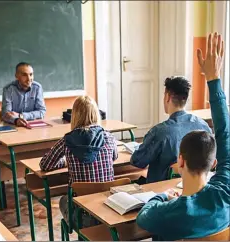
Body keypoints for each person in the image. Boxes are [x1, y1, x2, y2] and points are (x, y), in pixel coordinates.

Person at [136, 32, 230, 240]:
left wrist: (163, 196)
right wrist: (214, 80)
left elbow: (143, 218)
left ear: (180, 160)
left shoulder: (169, 212)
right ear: (213, 163)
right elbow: (224, 134)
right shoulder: (225, 193)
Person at [39, 96, 117, 227]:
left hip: (83, 216)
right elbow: (114, 157)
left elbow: (45, 164)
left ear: (74, 116)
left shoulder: (67, 140)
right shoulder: (108, 136)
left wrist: (65, 161)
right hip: (108, 211)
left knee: (64, 200)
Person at [130, 76, 211, 183]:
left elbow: (138, 161)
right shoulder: (204, 126)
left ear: (167, 97)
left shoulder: (159, 132)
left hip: (160, 190)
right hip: (193, 186)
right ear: (186, 99)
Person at [1, 62, 46, 127]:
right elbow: (6, 114)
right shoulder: (8, 89)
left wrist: (21, 116)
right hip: (15, 126)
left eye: (31, 74)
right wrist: (16, 120)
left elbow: (41, 111)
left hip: (34, 127)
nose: (29, 79)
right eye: (24, 75)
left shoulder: (37, 87)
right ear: (16, 76)